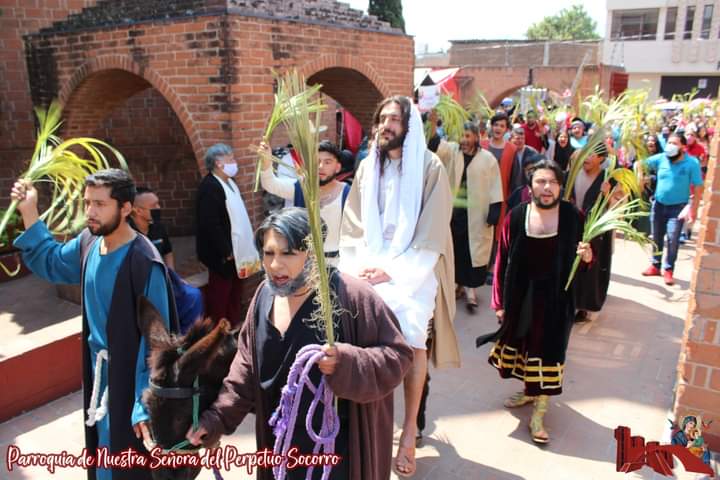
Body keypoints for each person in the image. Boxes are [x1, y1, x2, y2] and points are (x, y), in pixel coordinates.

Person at [187, 207, 413, 480]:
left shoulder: (353, 297)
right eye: (269, 253)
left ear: (313, 252)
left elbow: (398, 356)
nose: (274, 265)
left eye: (287, 253)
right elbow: (245, 371)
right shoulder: (262, 298)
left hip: (336, 454)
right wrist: (216, 419)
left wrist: (347, 361)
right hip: (279, 450)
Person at [11, 169, 178, 480]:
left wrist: (145, 404)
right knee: (102, 460)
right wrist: (29, 211)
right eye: (87, 202)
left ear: (126, 208)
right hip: (98, 378)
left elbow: (158, 344)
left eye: (100, 204)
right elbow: (53, 261)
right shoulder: (89, 241)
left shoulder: (144, 263)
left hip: (129, 386)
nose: (90, 211)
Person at [338, 95, 458, 477]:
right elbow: (352, 224)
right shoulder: (366, 167)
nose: (385, 126)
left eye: (394, 119)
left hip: (414, 267)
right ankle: (370, 423)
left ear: (409, 127)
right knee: (359, 332)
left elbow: (433, 228)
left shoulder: (430, 167)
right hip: (369, 263)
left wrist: (395, 272)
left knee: (411, 338)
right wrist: (361, 267)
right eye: (381, 119)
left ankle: (408, 433)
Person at [476, 159, 593, 445]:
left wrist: (588, 257)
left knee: (549, 352)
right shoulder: (516, 217)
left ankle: (540, 411)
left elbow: (585, 262)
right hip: (521, 298)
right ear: (530, 187)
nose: (546, 188)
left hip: (557, 302)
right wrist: (499, 303)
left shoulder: (573, 217)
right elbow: (502, 260)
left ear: (560, 187)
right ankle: (529, 391)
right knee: (524, 348)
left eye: (552, 182)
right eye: (541, 181)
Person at [437, 122, 503, 312]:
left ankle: (470, 291)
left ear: (476, 137)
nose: (464, 140)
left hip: (476, 216)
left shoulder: (488, 159)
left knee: (471, 254)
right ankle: (456, 285)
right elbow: (435, 145)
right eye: (462, 136)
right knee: (455, 251)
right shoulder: (452, 152)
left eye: (468, 136)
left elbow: (495, 186)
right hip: (454, 215)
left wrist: (494, 211)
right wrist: (432, 121)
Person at [258, 140, 351, 267]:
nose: (320, 166)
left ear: (337, 167)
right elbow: (271, 184)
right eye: (316, 162)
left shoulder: (348, 193)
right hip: (304, 266)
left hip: (338, 264)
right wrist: (266, 163)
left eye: (327, 162)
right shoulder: (301, 188)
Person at [196, 143, 260, 326]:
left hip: (236, 249)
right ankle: (218, 330)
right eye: (230, 159)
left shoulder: (230, 183)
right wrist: (226, 250)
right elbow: (210, 223)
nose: (234, 162)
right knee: (220, 294)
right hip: (221, 253)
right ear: (218, 163)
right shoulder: (210, 187)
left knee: (235, 291)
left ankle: (232, 324)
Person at [130, 186, 204, 334]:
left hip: (164, 275)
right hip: (142, 284)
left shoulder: (158, 226)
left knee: (194, 296)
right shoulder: (128, 233)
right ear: (137, 210)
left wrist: (172, 274)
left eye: (158, 203)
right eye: (153, 206)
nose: (159, 208)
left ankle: (185, 340)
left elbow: (168, 251)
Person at [641, 133, 703, 285]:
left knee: (673, 238)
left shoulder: (691, 163)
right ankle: (655, 265)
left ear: (683, 146)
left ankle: (669, 269)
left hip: (678, 208)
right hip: (659, 205)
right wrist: (641, 178)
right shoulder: (661, 158)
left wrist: (693, 209)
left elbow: (699, 187)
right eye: (668, 142)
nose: (670, 146)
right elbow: (641, 164)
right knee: (656, 237)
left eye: (674, 143)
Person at [568, 144, 621, 322]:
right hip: (573, 228)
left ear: (601, 159)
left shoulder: (608, 179)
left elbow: (620, 207)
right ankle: (569, 302)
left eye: (591, 155)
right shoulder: (572, 175)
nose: (587, 158)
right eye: (585, 154)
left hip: (595, 233)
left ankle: (584, 306)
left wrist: (607, 196)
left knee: (590, 268)